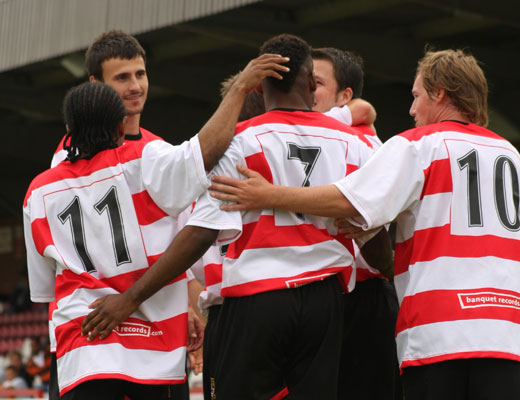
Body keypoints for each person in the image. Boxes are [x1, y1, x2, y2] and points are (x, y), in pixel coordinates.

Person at [80, 33, 392, 399]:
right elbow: (376, 237)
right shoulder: (353, 144)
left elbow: (202, 232)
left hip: (256, 299)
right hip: (326, 303)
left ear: (259, 88)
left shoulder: (239, 141)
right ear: (311, 84)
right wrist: (393, 270)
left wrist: (130, 298)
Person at [208, 49, 520, 400]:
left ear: (440, 93)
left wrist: (268, 195)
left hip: (439, 332)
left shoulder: (419, 145)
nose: (411, 110)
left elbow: (347, 200)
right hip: (506, 333)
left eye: (416, 96)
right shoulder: (511, 153)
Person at [24, 49, 289, 400]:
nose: (135, 86)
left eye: (139, 74)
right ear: (122, 127)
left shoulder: (39, 189)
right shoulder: (148, 158)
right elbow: (205, 151)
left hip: (83, 348)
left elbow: (46, 287)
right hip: (154, 350)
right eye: (123, 78)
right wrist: (239, 88)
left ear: (69, 129)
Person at [311, 46, 401, 400]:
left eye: (315, 83)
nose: (304, 90)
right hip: (318, 299)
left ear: (344, 97)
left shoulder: (360, 139)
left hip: (364, 297)